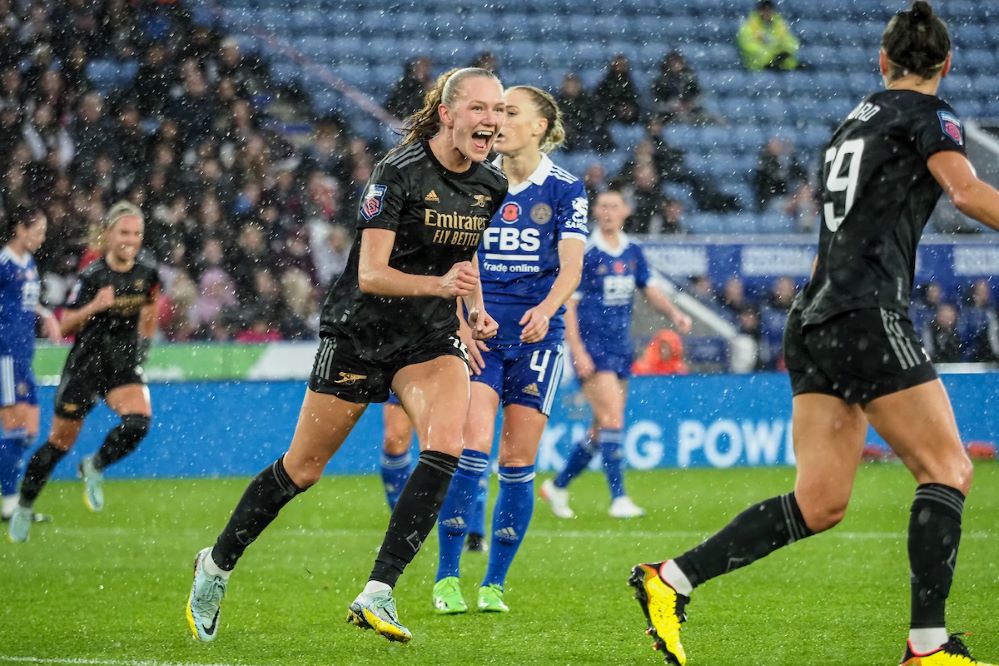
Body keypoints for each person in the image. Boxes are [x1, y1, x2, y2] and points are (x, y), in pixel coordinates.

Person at [628, 4, 999, 664]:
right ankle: (927, 646)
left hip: (815, 314)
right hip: (863, 312)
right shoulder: (928, 116)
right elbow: (965, 192)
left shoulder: (850, 123)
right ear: (944, 66)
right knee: (946, 467)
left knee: (820, 501)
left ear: (881, 62)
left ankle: (670, 580)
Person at [185, 67, 508, 645]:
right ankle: (216, 565)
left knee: (445, 447)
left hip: (429, 340)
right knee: (302, 470)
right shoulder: (397, 172)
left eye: (498, 111)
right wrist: (442, 290)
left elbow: (466, 260)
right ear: (448, 114)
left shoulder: (490, 183)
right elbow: (371, 274)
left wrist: (472, 309)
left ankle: (378, 591)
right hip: (361, 333)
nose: (491, 121)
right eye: (480, 109)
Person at [430, 85, 588, 615]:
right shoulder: (478, 182)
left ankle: (494, 583)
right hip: (482, 334)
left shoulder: (565, 189)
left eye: (510, 112)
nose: (498, 121)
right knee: (469, 449)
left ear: (540, 126)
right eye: (494, 111)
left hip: (538, 338)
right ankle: (447, 576)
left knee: (518, 461)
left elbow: (571, 268)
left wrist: (546, 309)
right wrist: (467, 315)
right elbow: (455, 259)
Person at [8, 202, 160, 543]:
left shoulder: (147, 275)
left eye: (137, 234)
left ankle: (94, 465)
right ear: (108, 235)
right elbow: (65, 324)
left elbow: (150, 310)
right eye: (124, 232)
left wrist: (143, 350)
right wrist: (94, 306)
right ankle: (24, 504)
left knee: (138, 423)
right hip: (86, 366)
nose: (131, 240)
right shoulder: (93, 277)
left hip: (121, 366)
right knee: (59, 444)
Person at [541, 190, 691, 520]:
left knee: (600, 427)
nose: (608, 212)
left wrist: (675, 314)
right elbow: (568, 304)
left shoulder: (633, 250)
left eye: (614, 206)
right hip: (593, 349)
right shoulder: (588, 252)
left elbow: (648, 287)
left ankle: (558, 485)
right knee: (613, 421)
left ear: (625, 211)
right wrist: (577, 350)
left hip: (621, 347)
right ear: (595, 211)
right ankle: (618, 497)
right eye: (603, 206)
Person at [0, 207, 60, 524]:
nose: (42, 236)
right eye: (38, 230)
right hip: (5, 356)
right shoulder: (3, 264)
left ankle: (11, 497)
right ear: (19, 229)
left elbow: (21, 300)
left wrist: (45, 314)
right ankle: (9, 504)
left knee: (28, 432)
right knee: (15, 428)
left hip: (24, 355)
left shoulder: (29, 264)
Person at [380, 391, 490, 552]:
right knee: (394, 439)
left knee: (464, 439)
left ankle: (475, 531)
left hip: (455, 369)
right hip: (411, 369)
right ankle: (403, 530)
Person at [737, 0, 800, 72]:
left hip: (782, 64)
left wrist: (785, 52)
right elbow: (747, 45)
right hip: (760, 67)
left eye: (769, 10)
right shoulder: (749, 25)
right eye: (764, 10)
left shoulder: (779, 24)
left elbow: (791, 42)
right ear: (758, 11)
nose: (767, 13)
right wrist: (772, 55)